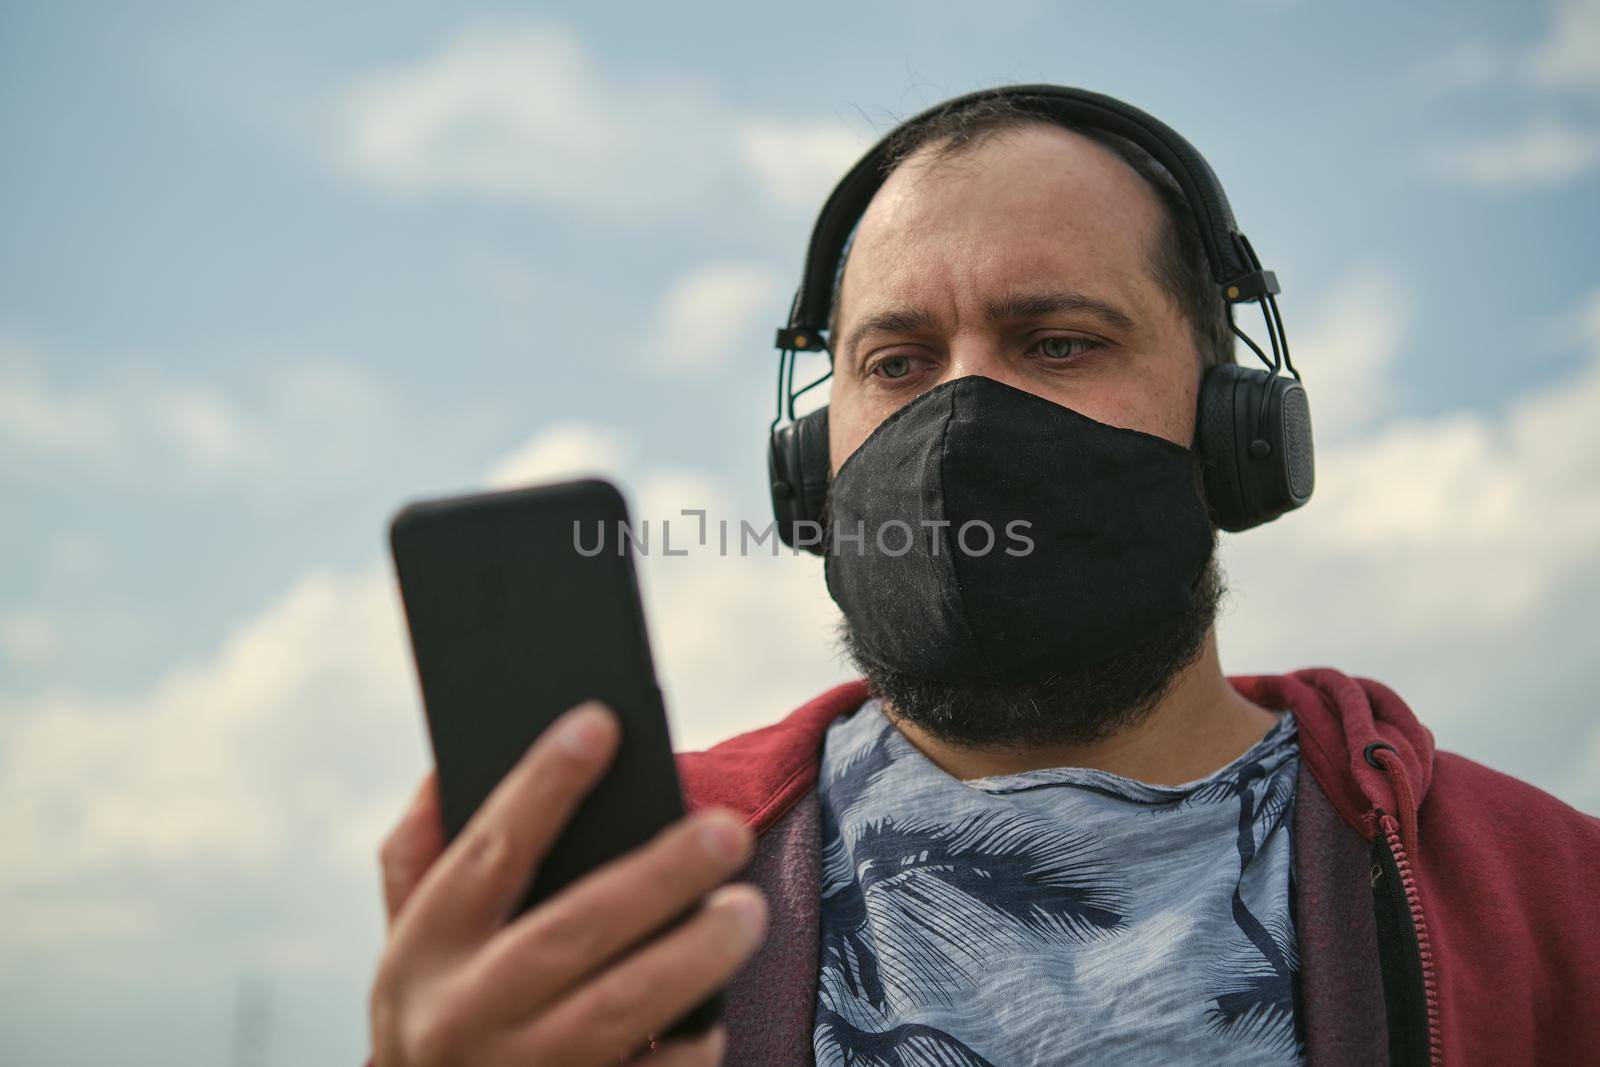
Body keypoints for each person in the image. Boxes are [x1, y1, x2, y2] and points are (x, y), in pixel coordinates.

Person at [366, 86, 1600, 1066]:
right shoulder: (641, 886)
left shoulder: (1546, 898)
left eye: (1057, 343)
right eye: (896, 361)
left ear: (1237, 426)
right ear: (811, 467)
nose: (962, 415)